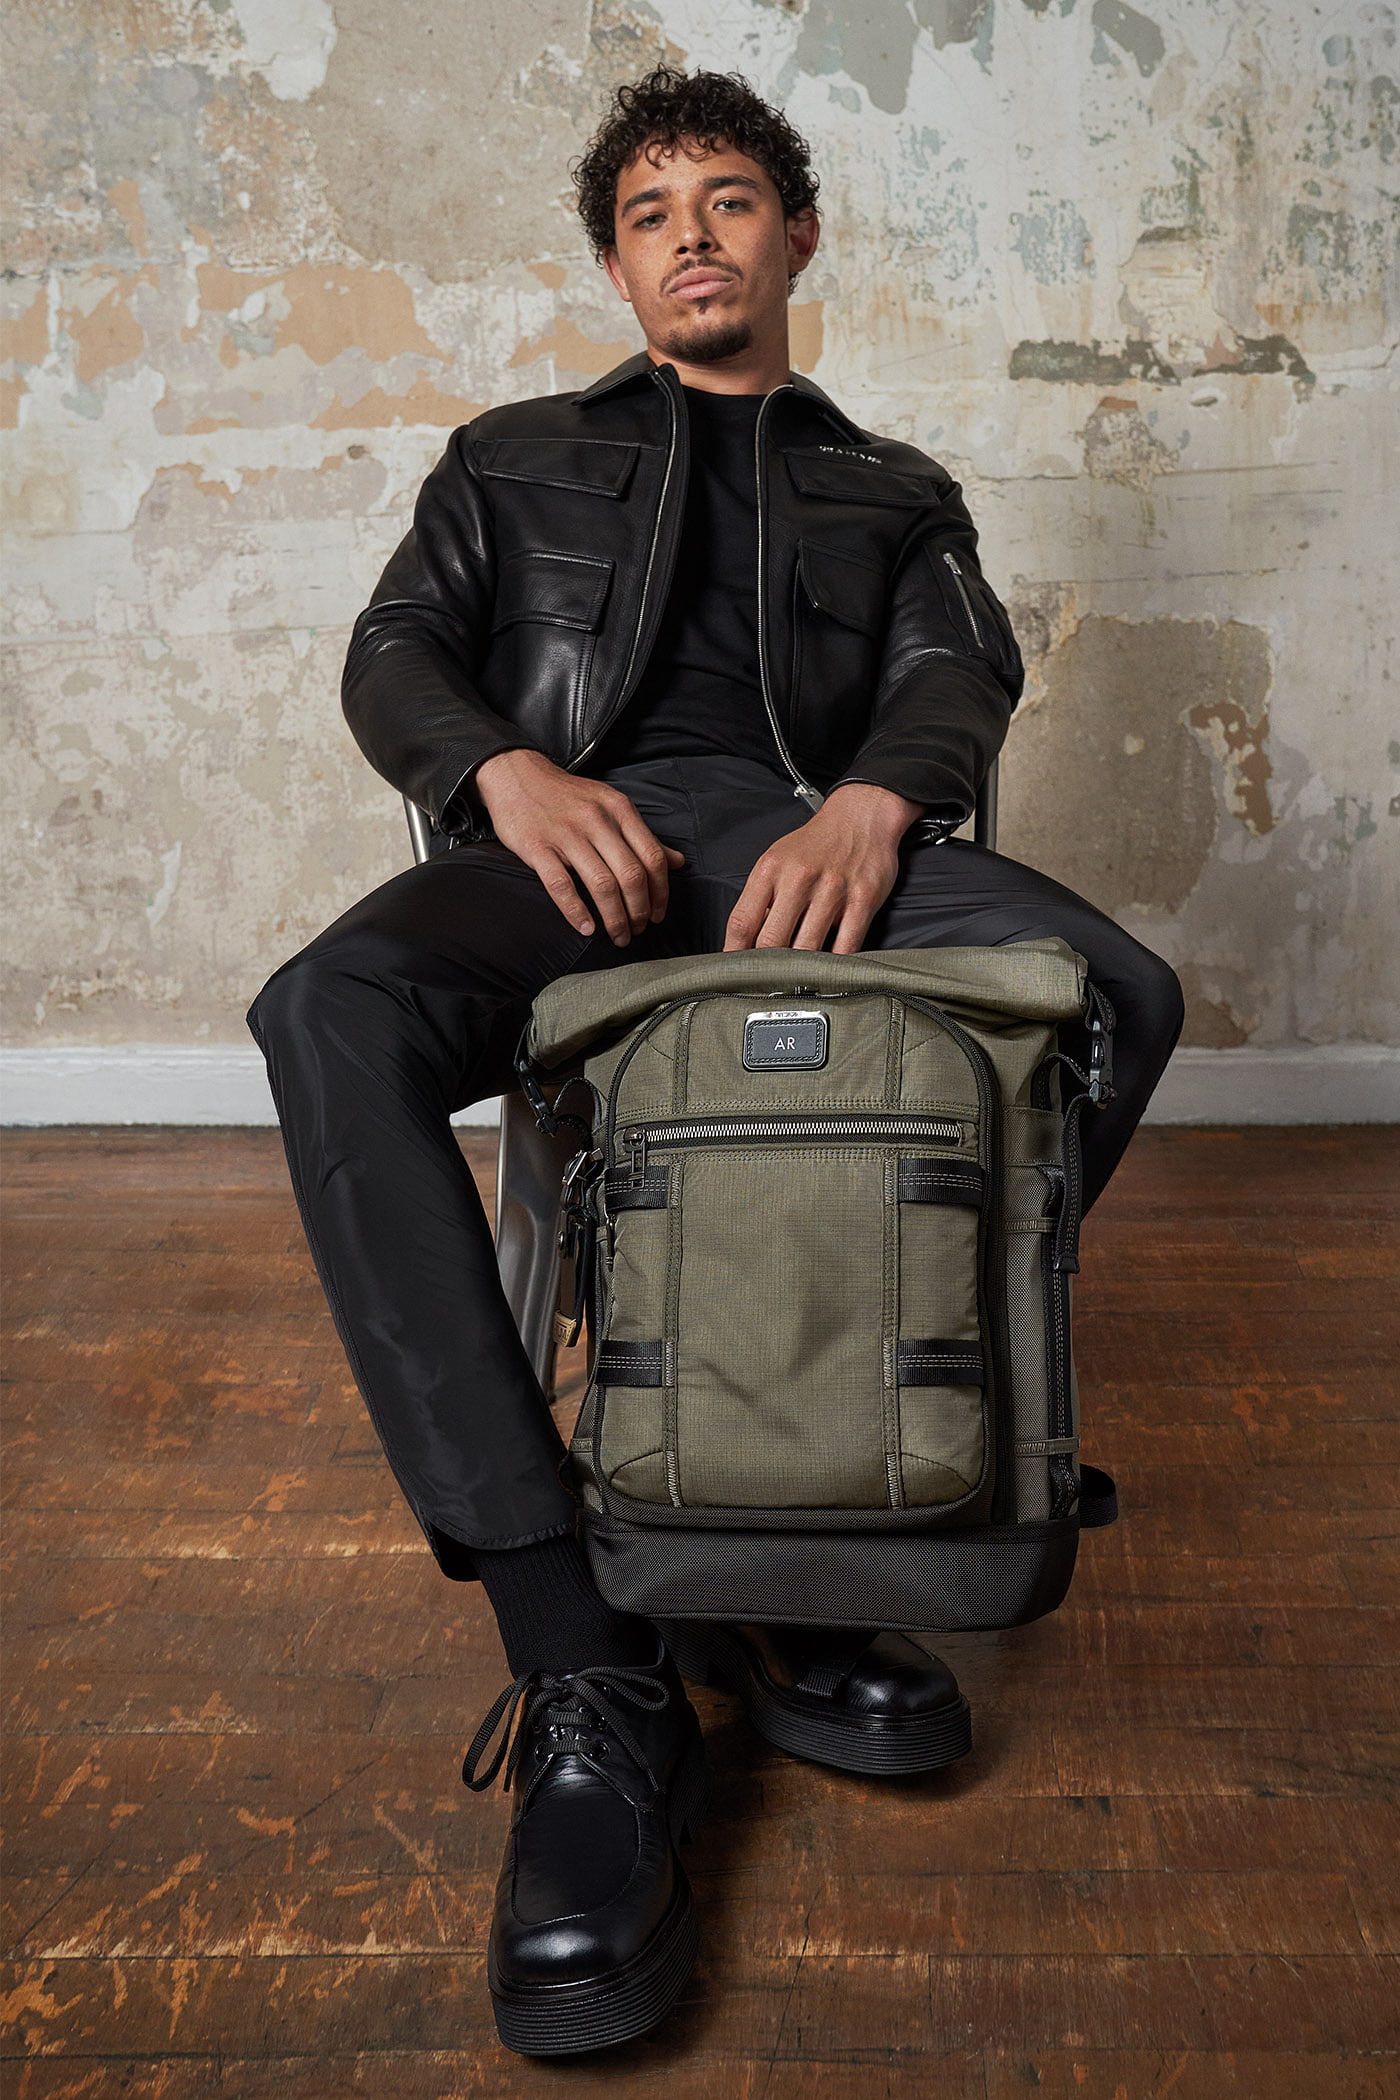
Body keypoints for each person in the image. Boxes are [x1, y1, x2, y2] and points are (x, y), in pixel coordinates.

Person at [248, 65, 1183, 2057]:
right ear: (616, 264)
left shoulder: (893, 489)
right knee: (324, 1010)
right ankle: (586, 1650)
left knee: (1114, 993)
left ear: (796, 235)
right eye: (651, 211)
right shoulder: (507, 458)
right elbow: (394, 651)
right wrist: (505, 774)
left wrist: (872, 806)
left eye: (731, 198)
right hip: (567, 854)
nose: (692, 233)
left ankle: (787, 1532)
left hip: (807, 857)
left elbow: (956, 671)